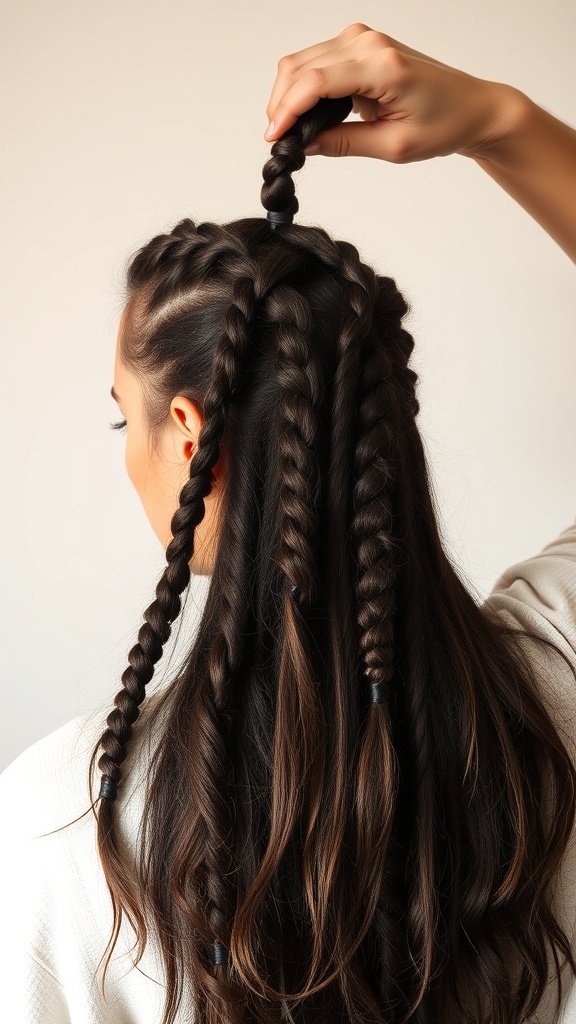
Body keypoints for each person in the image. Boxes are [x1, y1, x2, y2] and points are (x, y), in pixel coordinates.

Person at [1, 20, 575, 1024]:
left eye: (118, 413)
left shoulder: (62, 830)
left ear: (191, 436)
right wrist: (498, 121)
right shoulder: (556, 676)